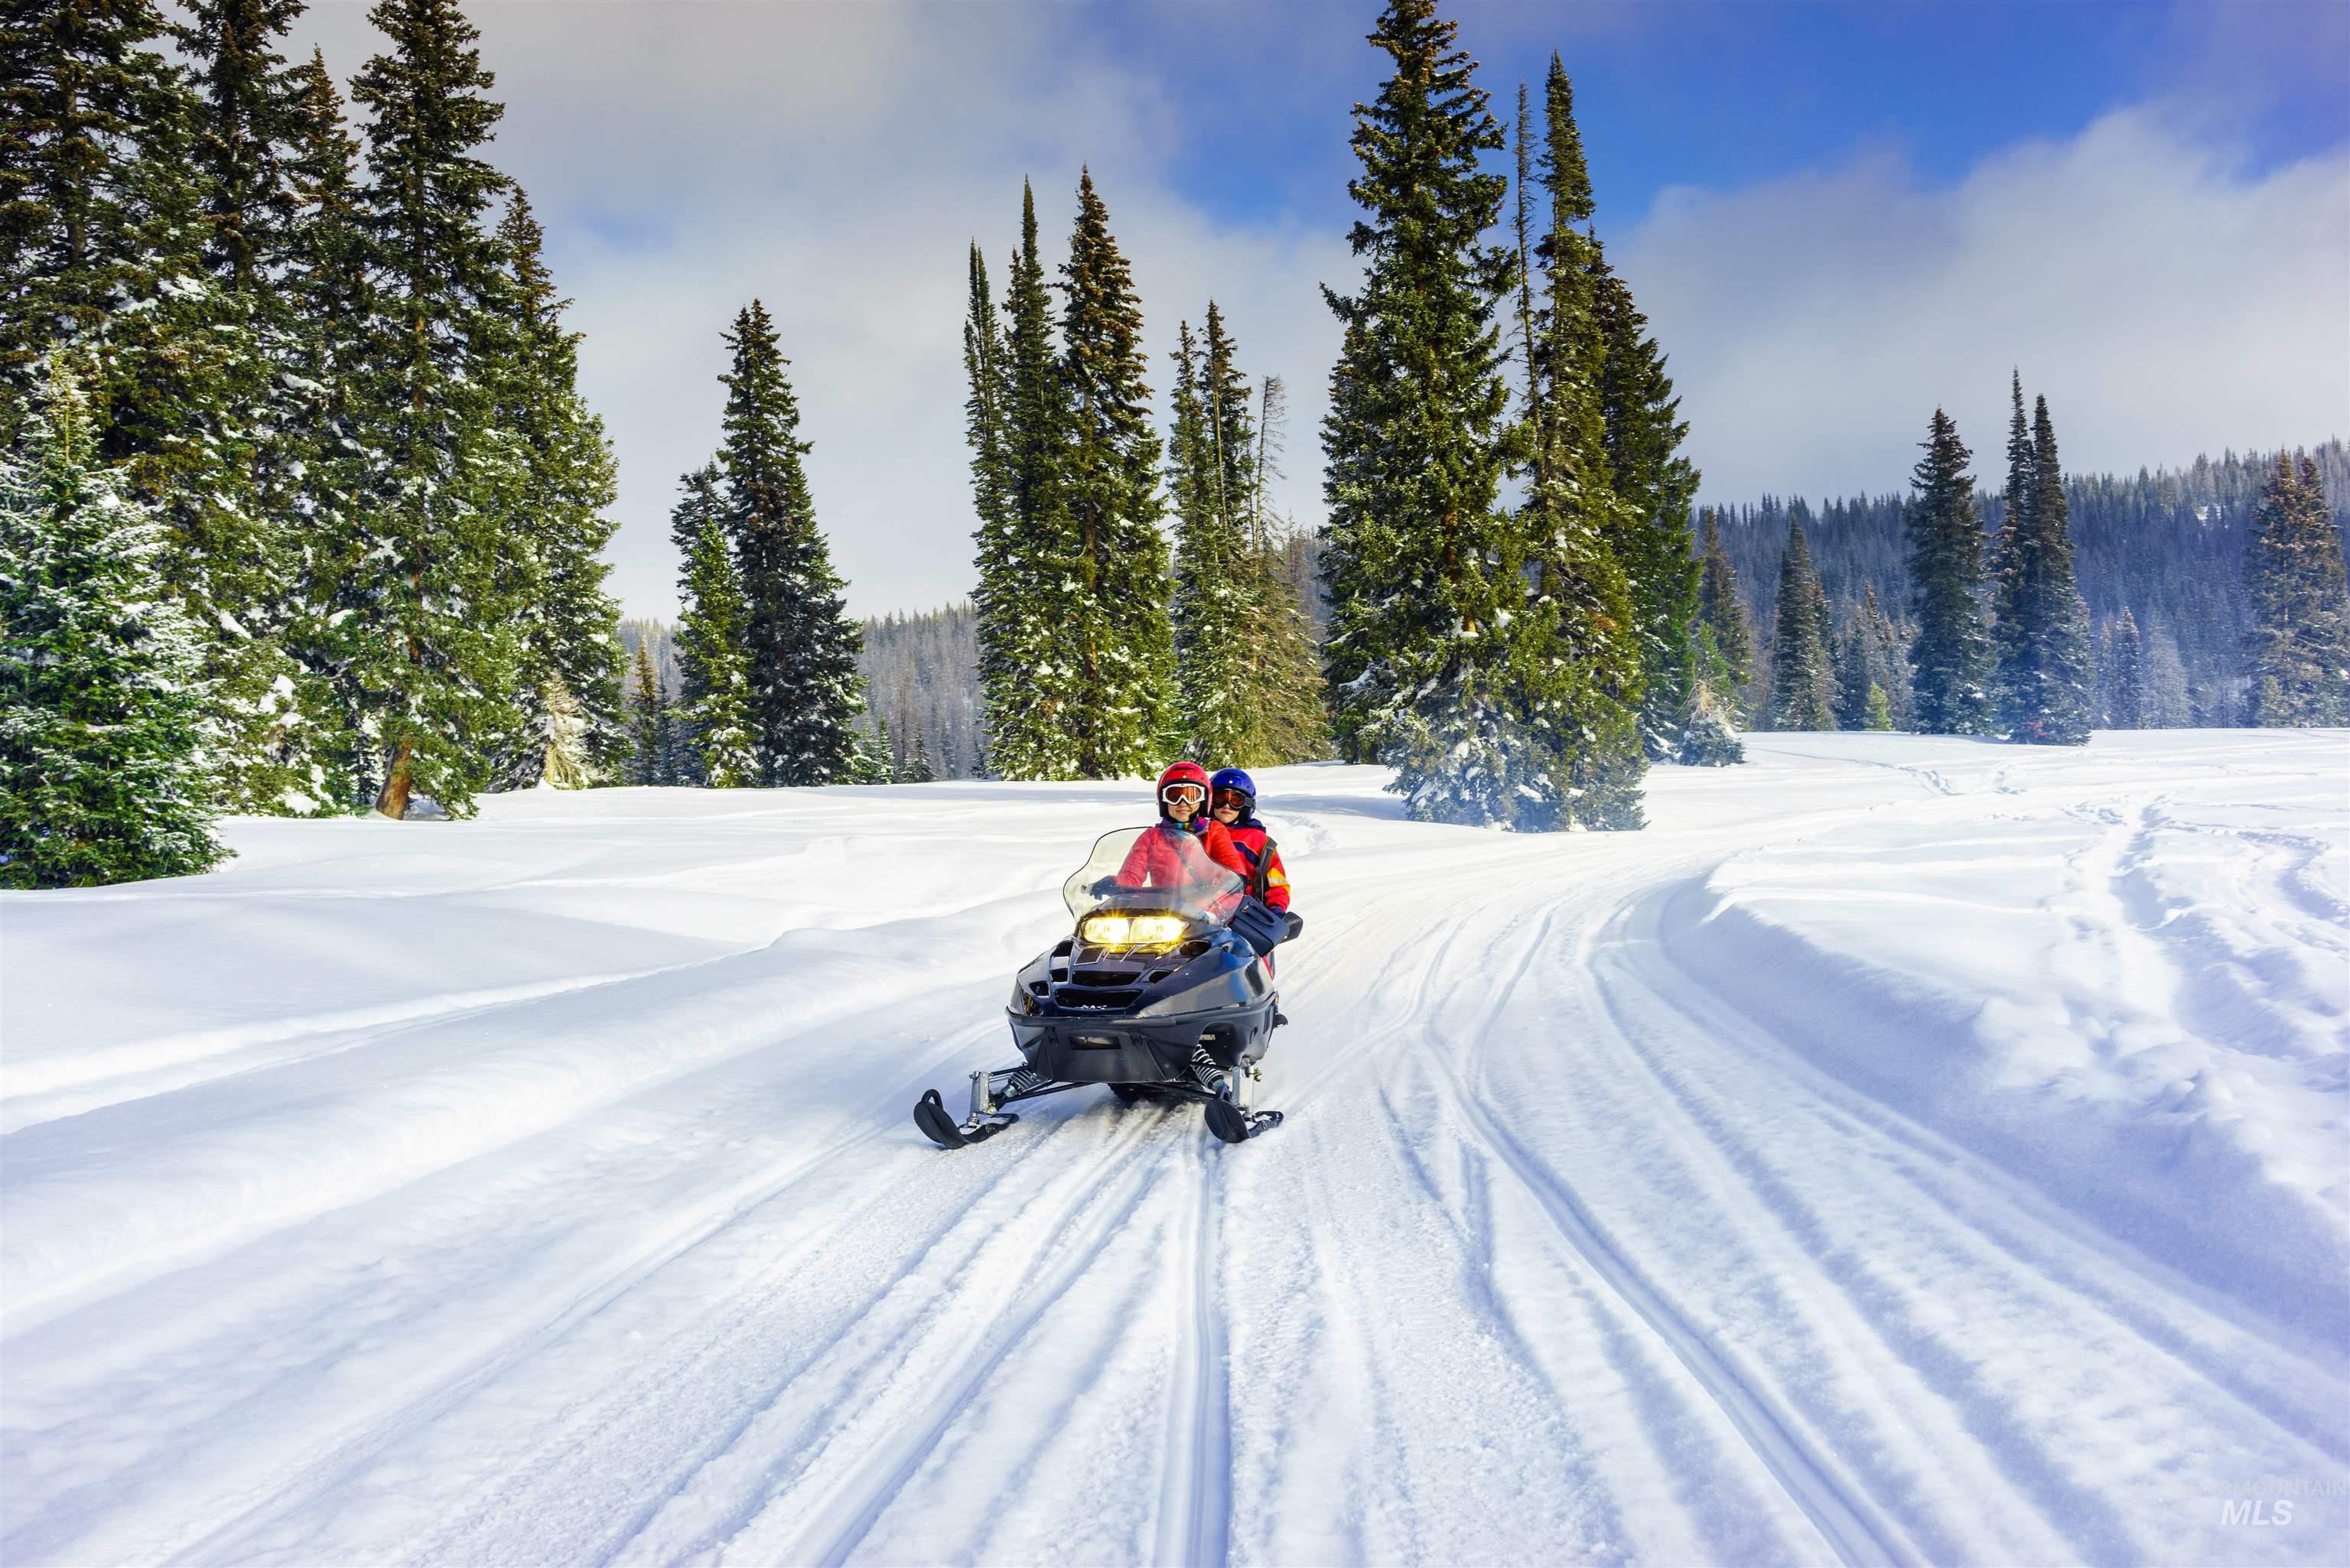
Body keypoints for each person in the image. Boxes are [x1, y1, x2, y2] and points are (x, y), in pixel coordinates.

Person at [1115, 760, 1252, 894]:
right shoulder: (1151, 837)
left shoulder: (1213, 831)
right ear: (1163, 801)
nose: (1183, 803)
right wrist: (1117, 884)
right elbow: (1131, 875)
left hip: (1209, 904)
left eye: (1191, 796)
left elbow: (1231, 866)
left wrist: (1231, 880)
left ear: (1203, 800)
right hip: (1163, 906)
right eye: (1174, 796)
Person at [1206, 768, 1289, 912]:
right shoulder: (1201, 833)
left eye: (1235, 800)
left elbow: (1277, 883)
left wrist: (1277, 909)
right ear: (1211, 801)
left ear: (1246, 805)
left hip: (1242, 913)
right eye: (1220, 798)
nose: (1227, 805)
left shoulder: (1257, 840)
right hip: (1199, 909)